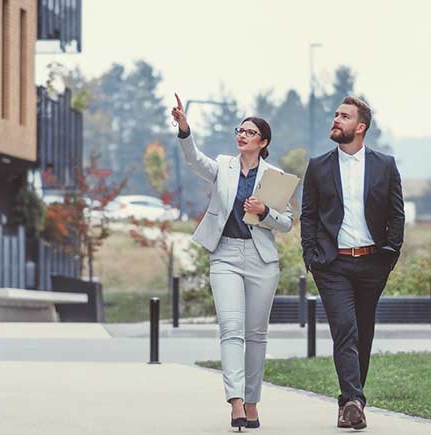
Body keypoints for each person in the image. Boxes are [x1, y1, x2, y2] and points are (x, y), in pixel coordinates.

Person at [171, 93, 293, 430]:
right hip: (224, 254)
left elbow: (286, 222)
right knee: (231, 330)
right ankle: (236, 403)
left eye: (250, 132)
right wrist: (185, 129)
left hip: (261, 260)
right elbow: (195, 160)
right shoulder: (223, 166)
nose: (242, 135)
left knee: (256, 335)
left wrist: (264, 212)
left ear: (263, 142)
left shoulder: (275, 176)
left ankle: (252, 403)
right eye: (239, 130)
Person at [300, 96, 404, 430]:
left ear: (360, 127)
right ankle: (357, 401)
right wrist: (312, 256)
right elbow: (309, 215)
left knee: (363, 333)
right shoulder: (318, 166)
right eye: (335, 115)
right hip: (332, 265)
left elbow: (396, 213)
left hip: (373, 262)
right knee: (345, 329)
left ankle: (348, 404)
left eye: (343, 116)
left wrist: (390, 252)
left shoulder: (384, 164)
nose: (335, 119)